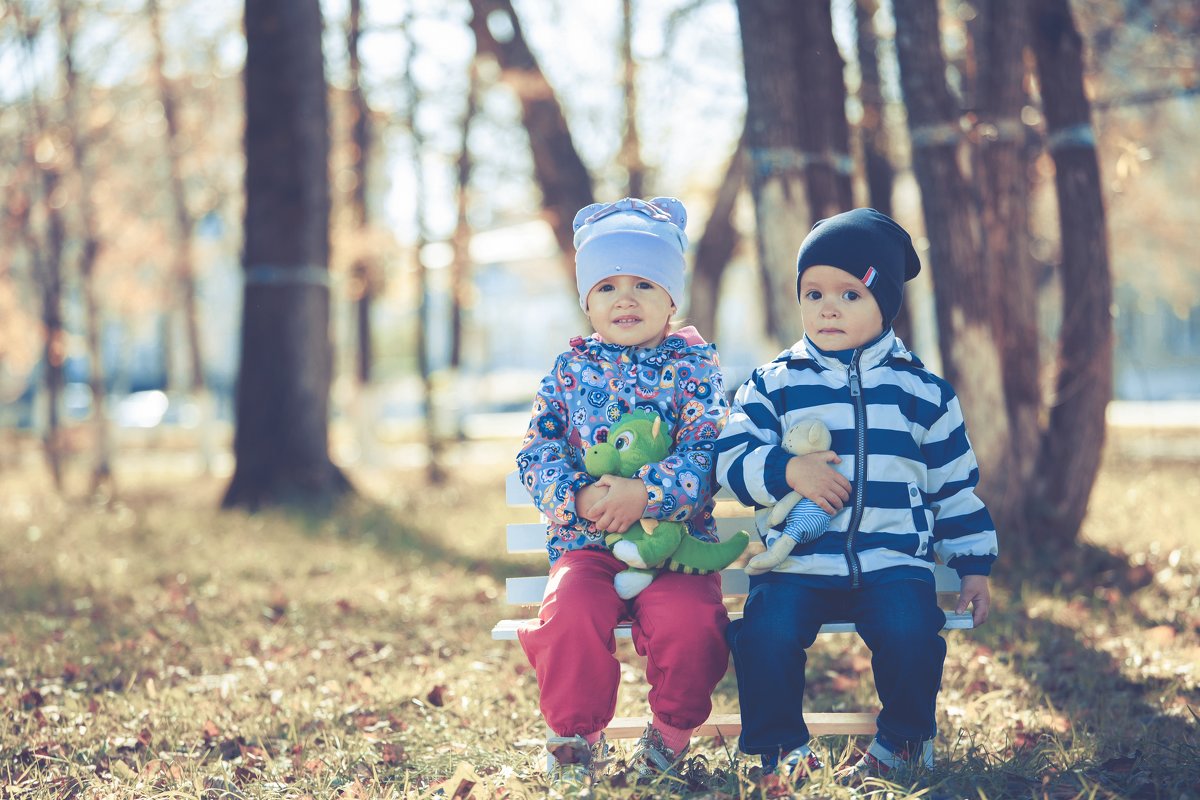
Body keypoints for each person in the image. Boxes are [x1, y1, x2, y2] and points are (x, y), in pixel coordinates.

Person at [715, 207, 997, 782]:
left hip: (891, 562)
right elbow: (728, 460)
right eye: (813, 292)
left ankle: (902, 741)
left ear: (885, 303)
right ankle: (781, 748)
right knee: (764, 632)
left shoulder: (924, 393)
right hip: (796, 562)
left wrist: (972, 565)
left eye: (849, 294)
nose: (827, 307)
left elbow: (954, 487)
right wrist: (788, 471)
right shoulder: (775, 383)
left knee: (912, 632)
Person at [515, 196, 731, 784]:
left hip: (676, 545)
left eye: (644, 283)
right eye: (607, 286)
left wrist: (651, 493)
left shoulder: (695, 367)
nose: (625, 298)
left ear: (671, 298)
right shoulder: (569, 369)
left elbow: (708, 449)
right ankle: (575, 737)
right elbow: (537, 449)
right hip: (588, 545)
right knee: (568, 616)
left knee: (693, 625)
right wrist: (577, 497)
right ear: (588, 301)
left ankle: (669, 734)